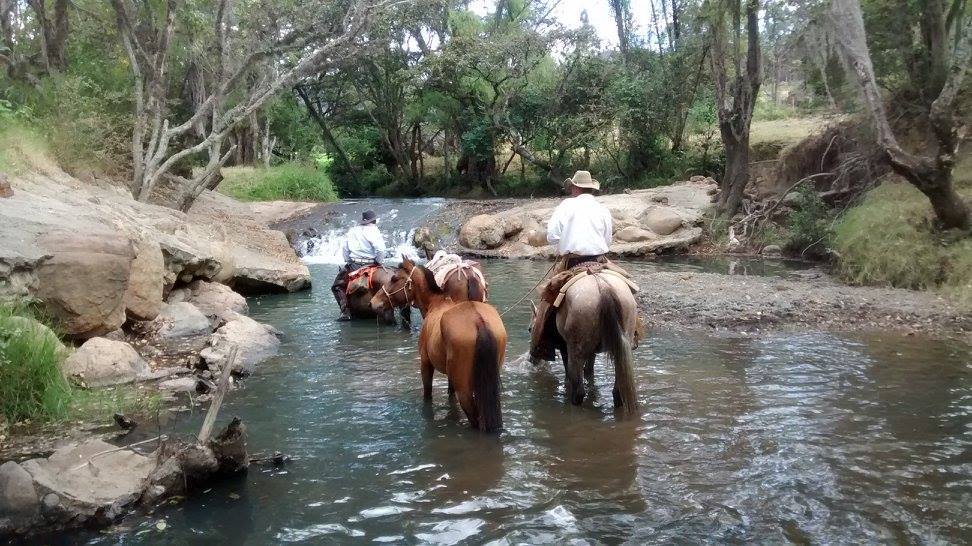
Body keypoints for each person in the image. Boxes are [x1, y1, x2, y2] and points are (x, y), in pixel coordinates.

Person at [530, 170, 614, 360]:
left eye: (571, 188)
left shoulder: (566, 205)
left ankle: (541, 346)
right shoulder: (603, 208)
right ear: (591, 189)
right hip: (600, 261)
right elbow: (608, 241)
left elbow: (553, 236)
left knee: (547, 300)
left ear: (575, 188)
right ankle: (632, 332)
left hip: (572, 262)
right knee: (626, 284)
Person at [332, 210, 386, 320]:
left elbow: (345, 249)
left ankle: (345, 311)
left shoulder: (352, 230)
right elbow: (380, 249)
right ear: (374, 221)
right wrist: (378, 262)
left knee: (337, 286)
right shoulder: (375, 230)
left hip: (355, 264)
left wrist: (348, 261)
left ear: (363, 221)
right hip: (372, 263)